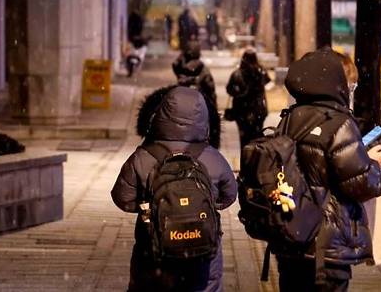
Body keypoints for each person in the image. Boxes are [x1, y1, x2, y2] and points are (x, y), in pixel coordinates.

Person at [274, 48, 381, 291]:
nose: (352, 91)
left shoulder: (290, 117)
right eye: (352, 85)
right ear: (338, 83)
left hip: (291, 237)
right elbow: (360, 185)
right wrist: (374, 165)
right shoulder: (340, 124)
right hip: (326, 246)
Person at [111, 86, 237, 292]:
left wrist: (151, 206)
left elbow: (122, 197)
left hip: (154, 249)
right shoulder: (212, 156)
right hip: (202, 249)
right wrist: (206, 204)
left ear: (161, 114)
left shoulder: (143, 156)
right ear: (204, 118)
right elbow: (229, 195)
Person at [226, 48, 271, 148]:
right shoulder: (261, 72)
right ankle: (255, 159)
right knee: (257, 138)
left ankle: (245, 159)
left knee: (244, 140)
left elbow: (229, 90)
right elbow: (267, 81)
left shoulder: (237, 74)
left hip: (241, 111)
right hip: (258, 110)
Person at [172, 41, 217, 111]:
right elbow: (211, 94)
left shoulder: (181, 69)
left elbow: (175, 64)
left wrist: (182, 55)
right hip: (199, 110)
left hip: (183, 109)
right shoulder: (203, 70)